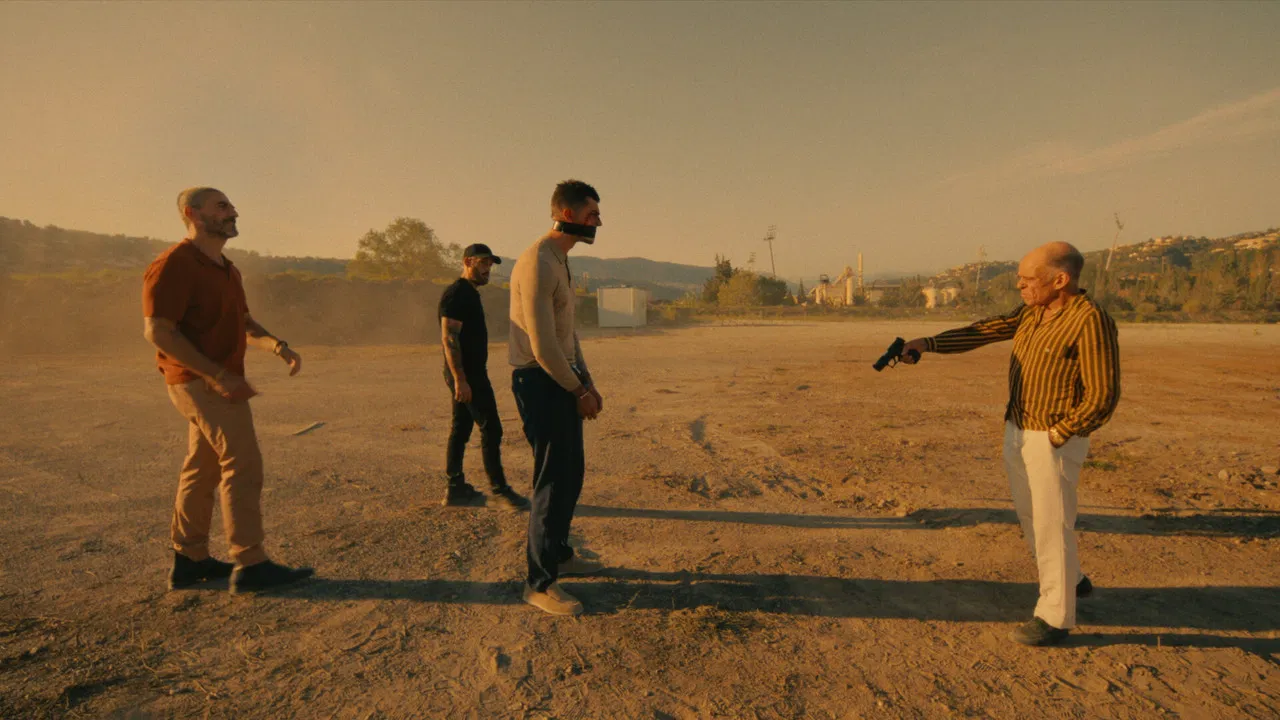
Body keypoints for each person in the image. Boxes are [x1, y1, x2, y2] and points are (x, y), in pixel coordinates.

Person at [901, 241, 1120, 646]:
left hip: (1052, 437)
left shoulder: (1090, 320)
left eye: (1027, 279)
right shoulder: (1032, 311)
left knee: (1052, 524)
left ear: (1060, 279)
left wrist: (1059, 435)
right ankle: (1073, 580)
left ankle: (1055, 616)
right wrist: (928, 343)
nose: (1020, 285)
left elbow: (1103, 395)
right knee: (1031, 517)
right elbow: (985, 330)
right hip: (1018, 428)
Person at [142, 187, 314, 595]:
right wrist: (217, 375)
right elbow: (158, 331)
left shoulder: (227, 269)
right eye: (221, 206)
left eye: (231, 205)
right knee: (243, 462)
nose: (233, 211)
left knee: (203, 467)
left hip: (213, 380)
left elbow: (245, 323)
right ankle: (250, 563)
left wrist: (278, 346)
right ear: (193, 213)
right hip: (199, 382)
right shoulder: (174, 264)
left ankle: (190, 560)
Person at [508, 179, 607, 616]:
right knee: (551, 481)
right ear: (567, 215)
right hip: (539, 381)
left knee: (571, 474)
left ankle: (560, 554)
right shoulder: (537, 262)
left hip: (562, 379)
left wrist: (587, 380)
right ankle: (539, 584)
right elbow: (543, 344)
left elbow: (568, 334)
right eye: (592, 214)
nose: (598, 222)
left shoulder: (560, 261)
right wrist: (577, 389)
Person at [438, 243, 530, 510]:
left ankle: (455, 489)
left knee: (461, 428)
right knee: (491, 428)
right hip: (468, 375)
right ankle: (500, 490)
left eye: (490, 264)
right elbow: (449, 339)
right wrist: (461, 379)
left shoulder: (469, 293)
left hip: (469, 373)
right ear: (468, 261)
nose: (488, 269)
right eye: (483, 263)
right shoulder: (457, 294)